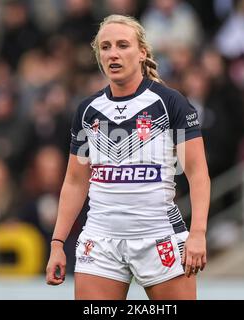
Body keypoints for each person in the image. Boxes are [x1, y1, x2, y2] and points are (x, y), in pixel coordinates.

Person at [45, 14, 210, 300]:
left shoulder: (170, 103)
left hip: (159, 236)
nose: (113, 54)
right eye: (106, 47)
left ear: (142, 52)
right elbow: (75, 181)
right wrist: (57, 242)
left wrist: (197, 233)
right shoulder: (88, 111)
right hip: (100, 240)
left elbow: (197, 173)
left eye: (123, 45)